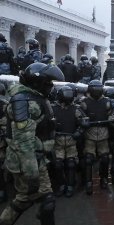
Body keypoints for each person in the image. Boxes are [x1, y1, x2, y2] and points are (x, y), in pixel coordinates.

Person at [0, 62, 64, 225]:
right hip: (27, 162)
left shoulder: (35, 97)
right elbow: (24, 142)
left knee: (27, 200)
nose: (50, 86)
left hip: (36, 159)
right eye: (48, 82)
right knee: (42, 200)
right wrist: (32, 173)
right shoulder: (25, 102)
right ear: (37, 82)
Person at [52, 86, 86, 197]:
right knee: (58, 164)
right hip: (57, 141)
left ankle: (70, 185)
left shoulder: (75, 109)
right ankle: (61, 185)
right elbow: (46, 123)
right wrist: (53, 129)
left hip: (71, 140)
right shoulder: (53, 109)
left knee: (71, 163)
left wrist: (79, 132)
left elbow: (84, 123)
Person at [80, 80, 112, 194]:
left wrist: (111, 119)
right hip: (90, 133)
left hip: (103, 132)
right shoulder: (84, 103)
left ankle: (103, 179)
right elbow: (80, 116)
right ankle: (88, 182)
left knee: (105, 158)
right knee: (88, 159)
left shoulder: (107, 102)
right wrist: (83, 122)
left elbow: (111, 115)